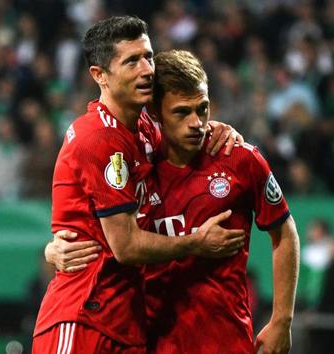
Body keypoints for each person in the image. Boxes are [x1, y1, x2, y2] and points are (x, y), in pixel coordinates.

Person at [47, 50, 301, 354]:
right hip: (150, 343)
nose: (197, 123)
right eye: (182, 112)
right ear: (155, 113)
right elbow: (108, 235)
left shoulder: (239, 158)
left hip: (225, 342)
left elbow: (284, 233)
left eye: (203, 109)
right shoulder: (136, 166)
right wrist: (55, 249)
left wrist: (282, 320)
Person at [33, 16, 246, 354]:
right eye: (131, 61)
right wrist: (196, 243)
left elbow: (182, 137)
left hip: (127, 322)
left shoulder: (144, 127)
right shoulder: (98, 139)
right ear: (99, 76)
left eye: (147, 56)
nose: (147, 69)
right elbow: (127, 246)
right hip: (83, 319)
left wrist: (216, 129)